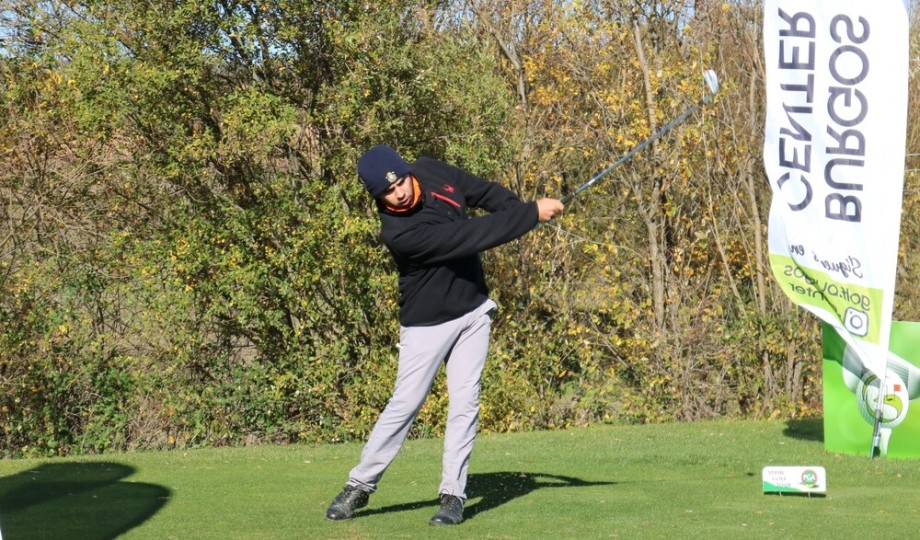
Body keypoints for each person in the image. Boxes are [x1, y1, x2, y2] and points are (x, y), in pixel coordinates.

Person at [325, 144, 564, 526]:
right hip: (426, 324)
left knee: (465, 404)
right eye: (388, 192)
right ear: (378, 197)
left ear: (406, 171)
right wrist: (530, 214)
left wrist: (521, 210)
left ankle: (453, 495)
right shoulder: (398, 233)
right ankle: (360, 485)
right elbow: (467, 236)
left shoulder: (432, 170)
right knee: (405, 405)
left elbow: (483, 192)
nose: (399, 193)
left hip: (472, 312)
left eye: (400, 182)